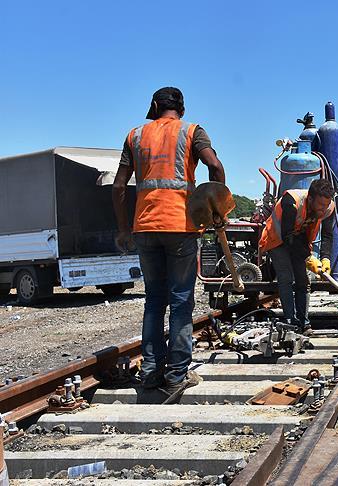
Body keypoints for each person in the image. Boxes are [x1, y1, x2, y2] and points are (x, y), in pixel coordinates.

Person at [112, 87, 226, 403]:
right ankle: (177, 375)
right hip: (180, 226)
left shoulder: (135, 135)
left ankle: (150, 371)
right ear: (181, 108)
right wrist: (219, 208)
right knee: (180, 301)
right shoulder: (192, 132)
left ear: (154, 106)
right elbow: (214, 167)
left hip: (144, 227)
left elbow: (120, 185)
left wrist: (123, 228)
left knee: (154, 300)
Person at [259, 178, 336, 333]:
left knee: (303, 281)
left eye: (326, 205)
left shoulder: (329, 208)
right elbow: (287, 236)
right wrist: (308, 257)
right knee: (286, 278)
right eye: (320, 205)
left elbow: (327, 235)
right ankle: (291, 321)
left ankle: (304, 323)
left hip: (298, 239)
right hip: (277, 238)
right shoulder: (292, 200)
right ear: (311, 198)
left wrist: (325, 257)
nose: (323, 209)